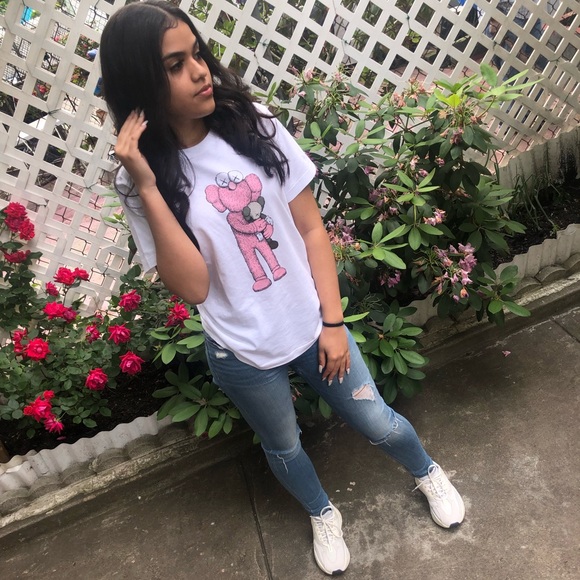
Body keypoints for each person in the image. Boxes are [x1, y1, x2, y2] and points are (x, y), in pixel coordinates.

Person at [100, 1, 465, 575]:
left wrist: (333, 323)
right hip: (241, 352)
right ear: (140, 83)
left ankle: (427, 472)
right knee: (284, 446)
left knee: (376, 420)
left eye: (197, 53)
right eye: (174, 65)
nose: (199, 71)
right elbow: (195, 287)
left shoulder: (253, 124)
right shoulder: (139, 181)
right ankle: (322, 512)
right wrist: (147, 186)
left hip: (313, 325)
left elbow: (313, 229)